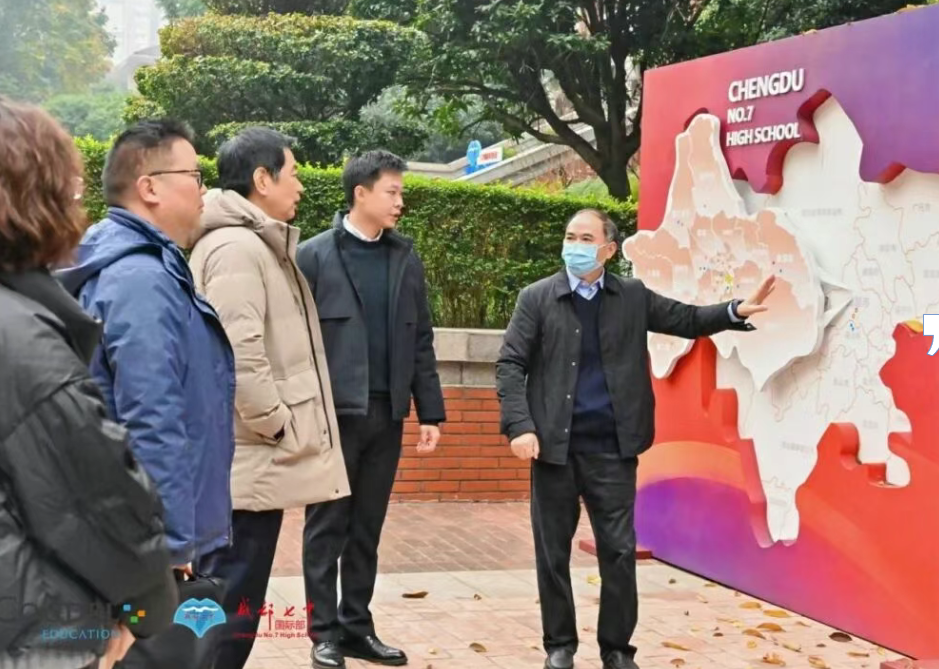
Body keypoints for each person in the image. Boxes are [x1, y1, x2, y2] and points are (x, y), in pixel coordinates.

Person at [0, 99, 178, 669]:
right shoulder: (14, 335)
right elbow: (97, 503)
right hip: (22, 634)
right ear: (30, 199)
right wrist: (146, 608)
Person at [496, 209, 776, 669]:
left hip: (613, 449)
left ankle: (617, 650)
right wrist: (520, 425)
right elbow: (510, 364)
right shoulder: (537, 298)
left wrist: (732, 311)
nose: (574, 246)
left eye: (585, 238)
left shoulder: (631, 296)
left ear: (608, 249)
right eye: (570, 236)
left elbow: (686, 319)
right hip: (554, 451)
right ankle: (560, 647)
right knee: (552, 554)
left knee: (620, 552)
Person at [55, 120, 236, 664]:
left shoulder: (141, 265)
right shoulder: (139, 279)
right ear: (149, 186)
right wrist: (170, 546)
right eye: (194, 175)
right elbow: (151, 416)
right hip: (142, 541)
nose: (203, 189)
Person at [187, 126, 351, 668]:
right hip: (246, 464)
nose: (300, 185)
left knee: (229, 607)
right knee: (225, 613)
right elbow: (239, 353)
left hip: (248, 463)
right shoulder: (237, 249)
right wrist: (276, 424)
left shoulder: (252, 243)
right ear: (262, 178)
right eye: (294, 172)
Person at [297, 150, 446, 668]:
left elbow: (421, 338)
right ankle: (323, 633)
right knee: (326, 526)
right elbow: (296, 341)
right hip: (334, 417)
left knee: (367, 527)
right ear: (360, 193)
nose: (400, 202)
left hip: (388, 415)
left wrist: (430, 412)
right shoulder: (314, 256)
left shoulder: (405, 258)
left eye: (401, 192)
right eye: (392, 192)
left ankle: (356, 628)